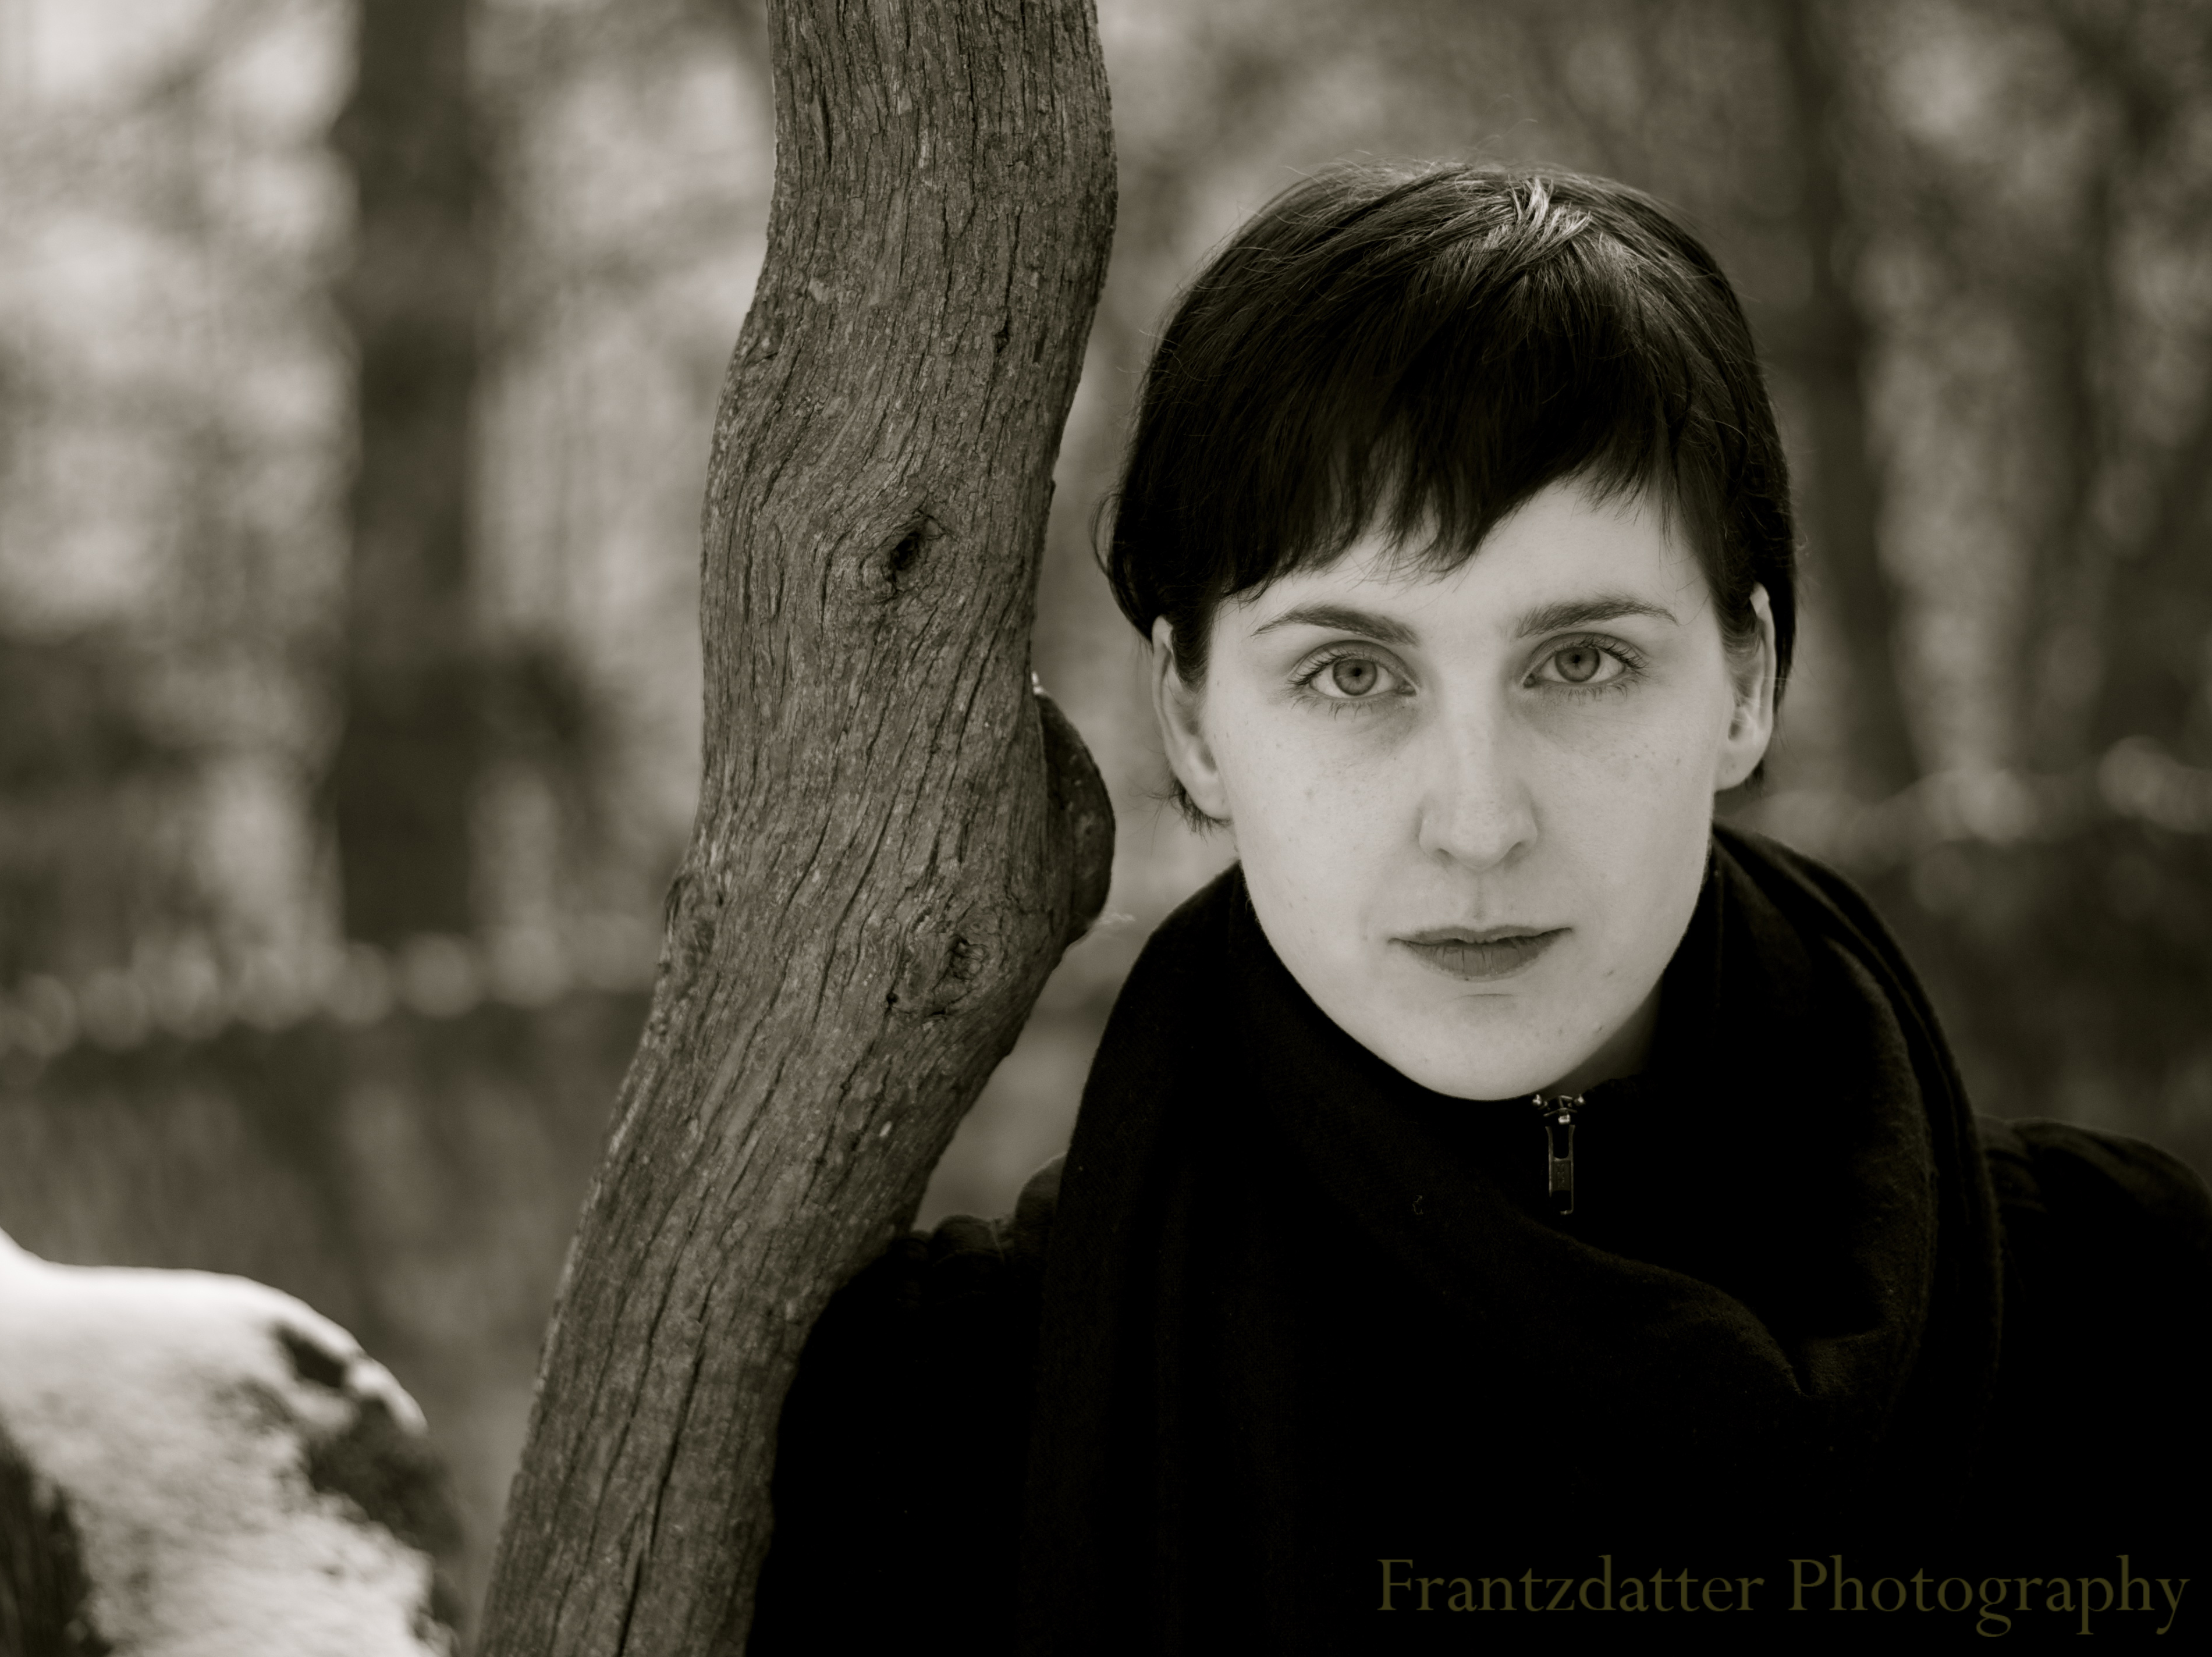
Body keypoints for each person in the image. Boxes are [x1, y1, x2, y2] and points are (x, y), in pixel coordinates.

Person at [747, 163, 2212, 1654]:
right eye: (1349, 672)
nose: (1477, 822)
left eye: (1580, 662)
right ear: (1189, 718)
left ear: (1746, 683)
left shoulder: (2132, 1315)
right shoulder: (946, 1425)